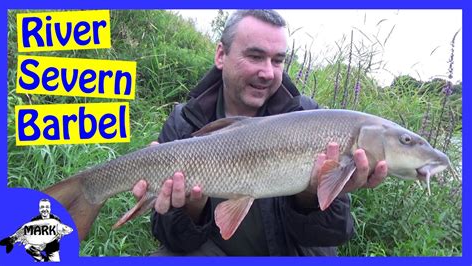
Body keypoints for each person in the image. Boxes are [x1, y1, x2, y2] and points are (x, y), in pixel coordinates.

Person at [132, 9, 388, 256]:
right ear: (221, 55)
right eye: (255, 56)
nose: (267, 72)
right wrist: (191, 210)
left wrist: (309, 198)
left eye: (277, 60)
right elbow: (169, 236)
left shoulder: (310, 118)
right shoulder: (184, 122)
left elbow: (334, 234)